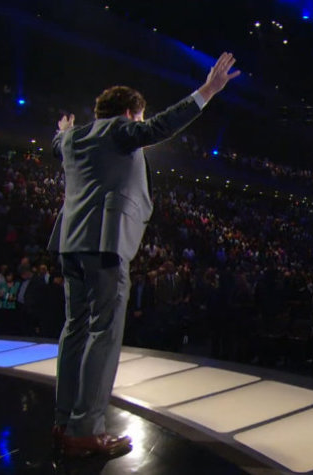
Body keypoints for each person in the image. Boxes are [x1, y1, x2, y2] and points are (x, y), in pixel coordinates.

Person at [48, 52, 240, 457]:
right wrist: (208, 91)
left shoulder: (70, 139)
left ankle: (64, 421)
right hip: (104, 244)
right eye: (139, 116)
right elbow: (161, 126)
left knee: (74, 331)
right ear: (130, 113)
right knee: (103, 334)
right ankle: (86, 431)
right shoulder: (119, 131)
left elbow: (58, 142)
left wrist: (63, 130)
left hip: (69, 244)